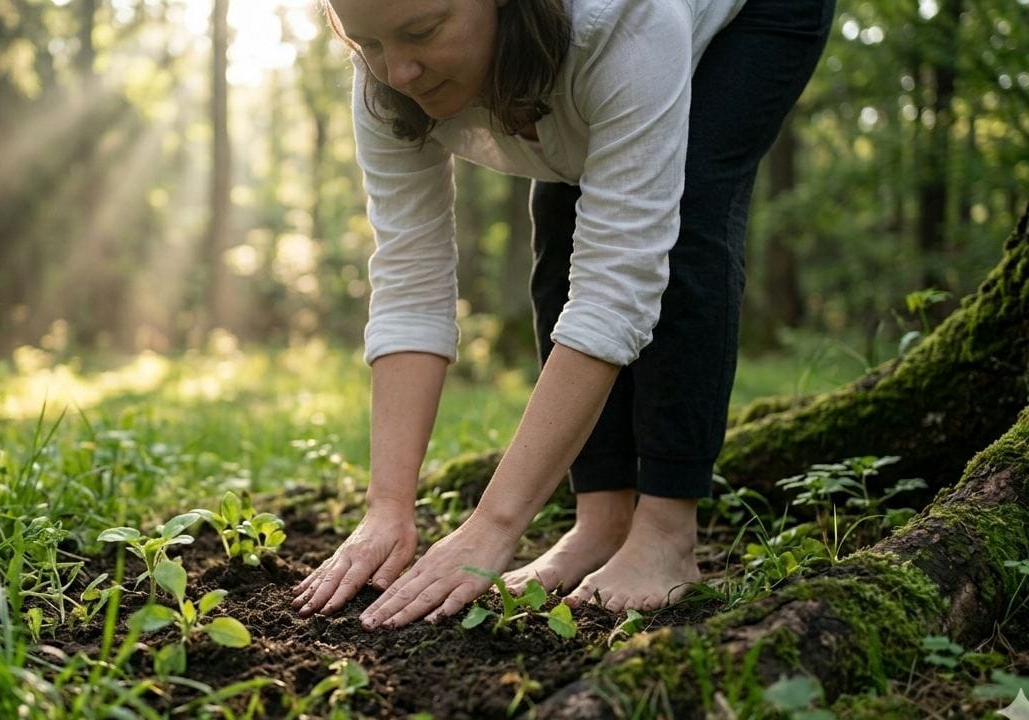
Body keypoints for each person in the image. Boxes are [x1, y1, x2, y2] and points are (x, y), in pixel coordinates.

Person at [291, 0, 833, 630]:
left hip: (754, 14)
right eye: (369, 44)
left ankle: (666, 536)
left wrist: (493, 527)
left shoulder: (622, 22)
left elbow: (616, 288)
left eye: (421, 32)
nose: (400, 72)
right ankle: (600, 523)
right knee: (562, 224)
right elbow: (410, 283)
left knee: (686, 213)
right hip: (574, 54)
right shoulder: (384, 81)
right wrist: (387, 506)